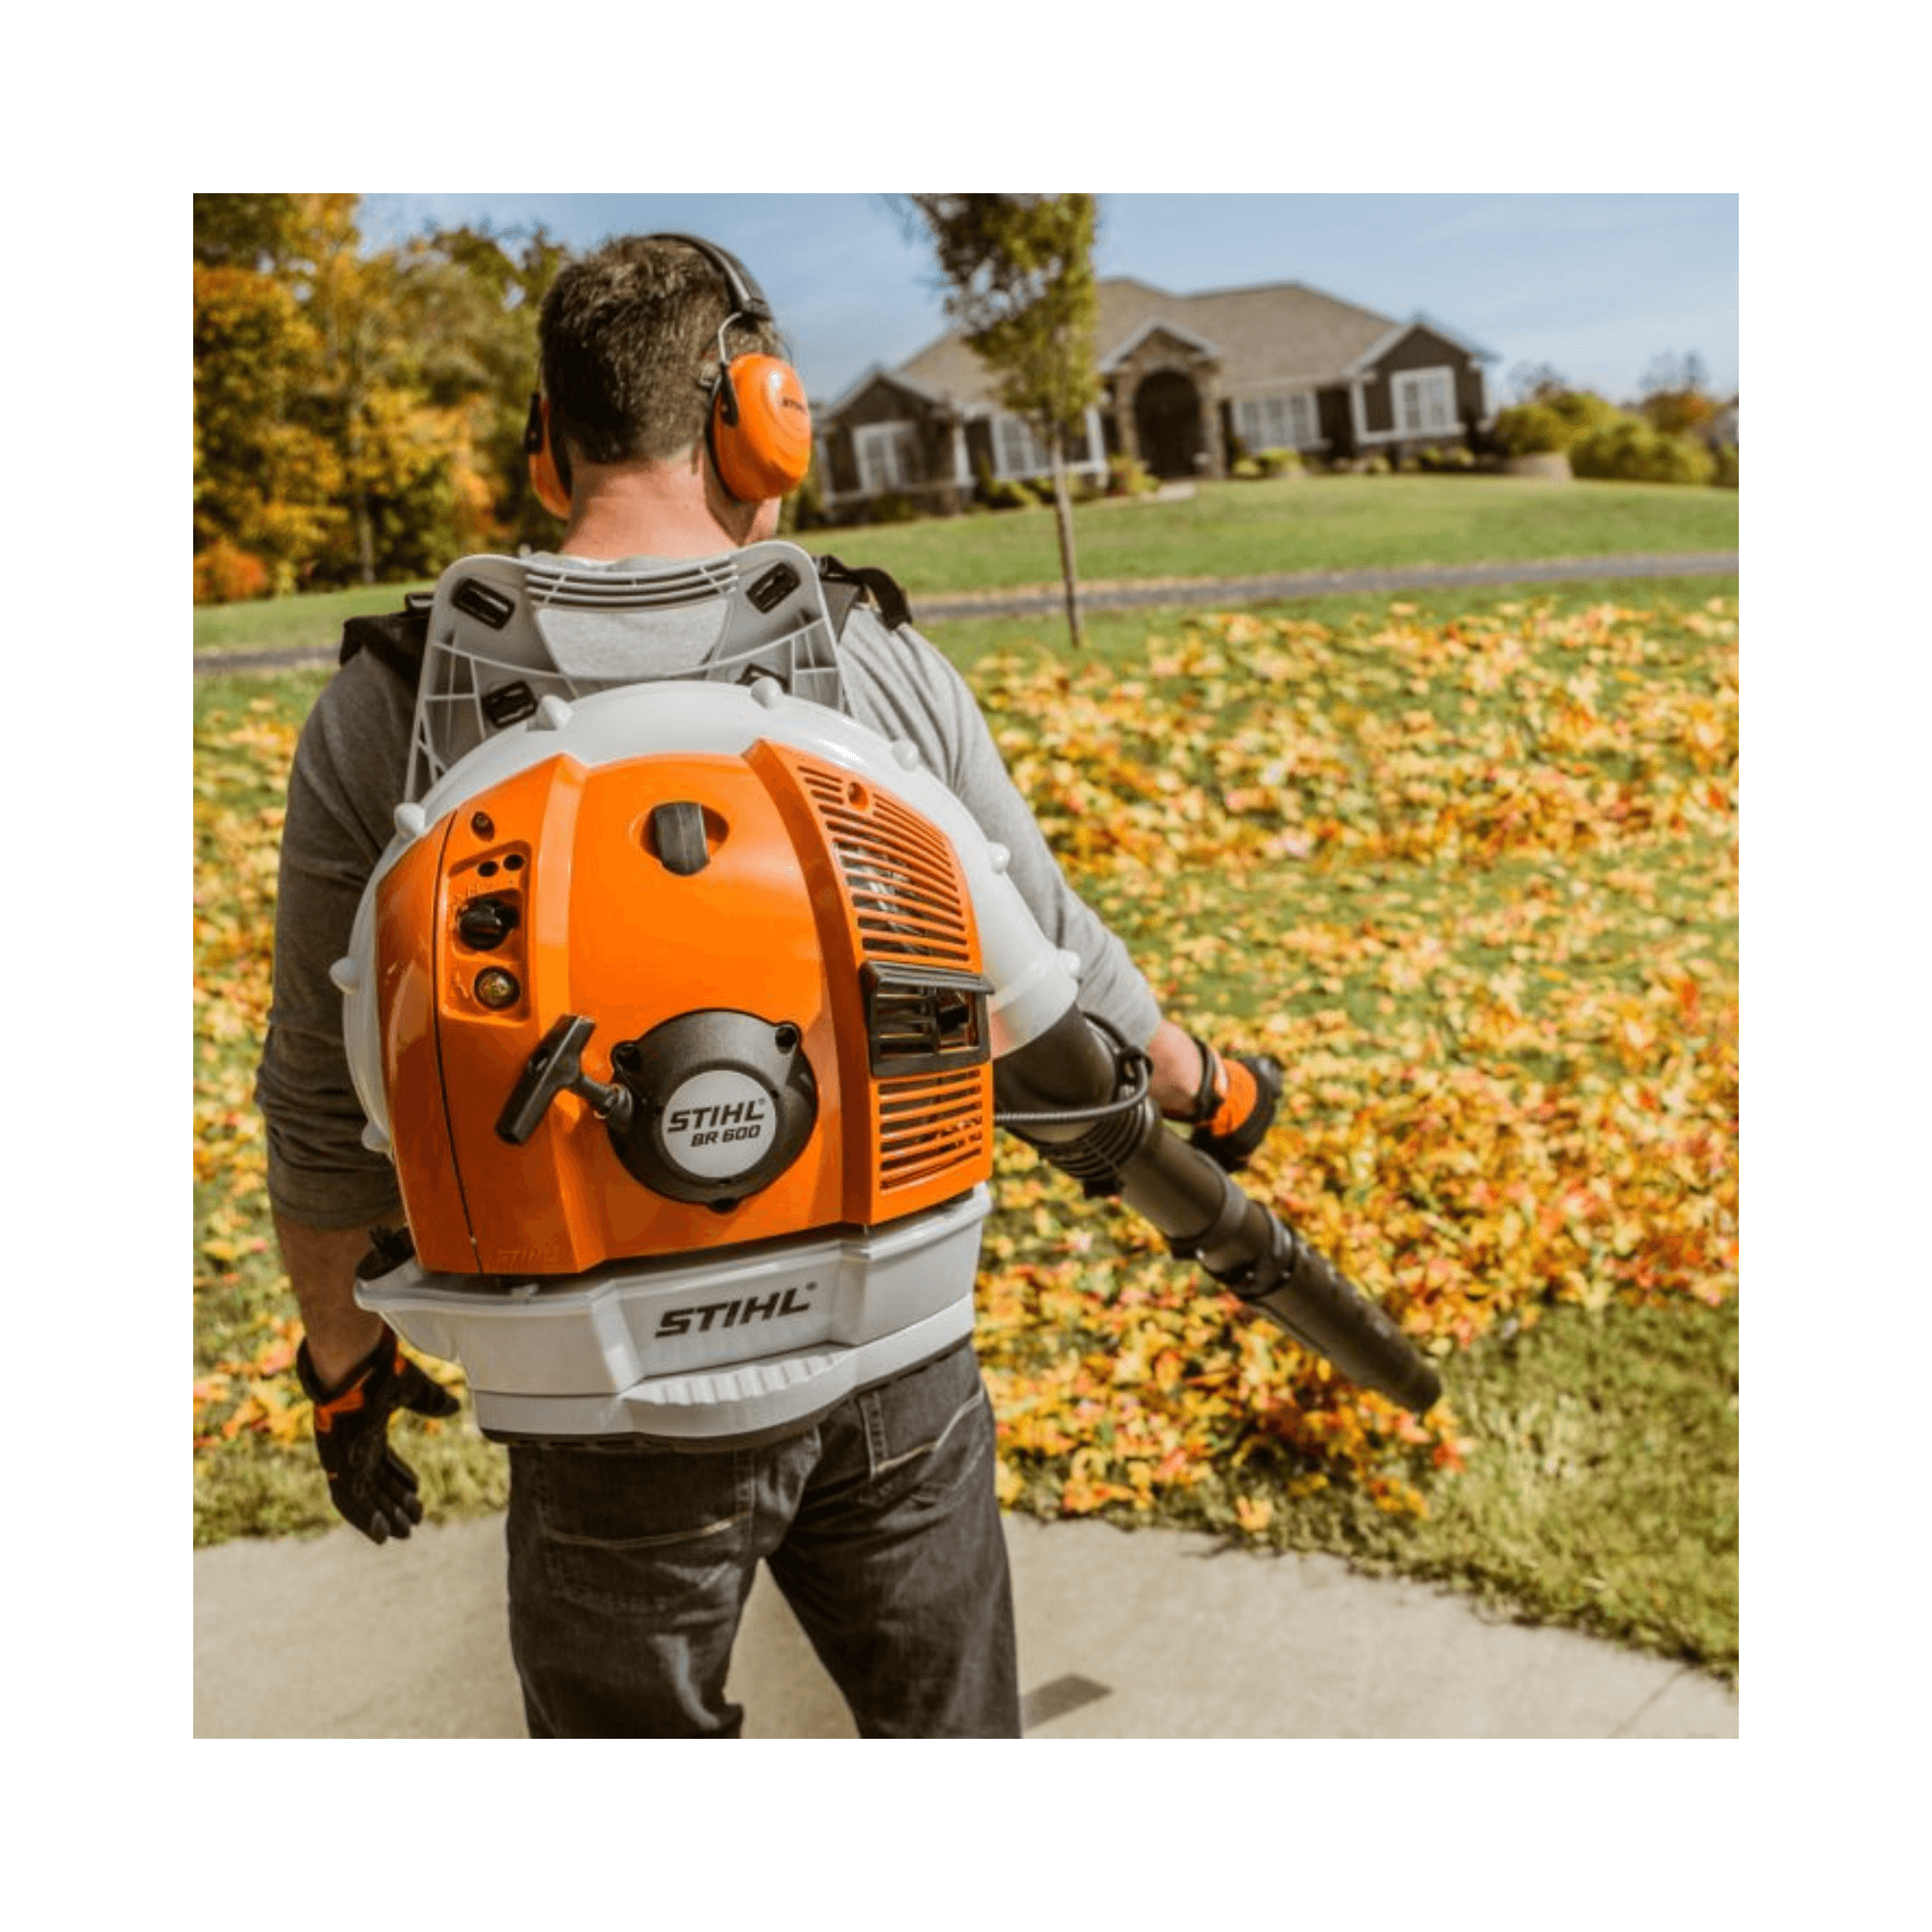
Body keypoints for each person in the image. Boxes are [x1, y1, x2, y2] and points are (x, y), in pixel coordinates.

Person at [255, 233, 1274, 1738]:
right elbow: (1050, 966)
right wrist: (1210, 1088)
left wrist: (343, 1361)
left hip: (591, 1386)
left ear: (550, 444)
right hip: (891, 1346)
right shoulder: (868, 662)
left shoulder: (390, 704)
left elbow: (318, 1108)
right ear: (764, 413)